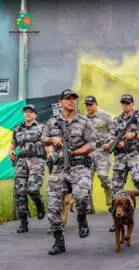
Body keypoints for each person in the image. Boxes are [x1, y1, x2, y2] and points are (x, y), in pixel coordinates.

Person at [42, 89, 96, 255]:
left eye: (74, 99)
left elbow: (93, 144)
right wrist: (52, 139)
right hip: (59, 168)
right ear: (61, 102)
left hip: (79, 166)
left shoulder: (84, 121)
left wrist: (75, 152)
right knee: (52, 204)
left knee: (82, 197)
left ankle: (81, 217)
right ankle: (59, 241)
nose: (72, 101)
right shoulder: (52, 122)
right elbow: (43, 138)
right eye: (68, 99)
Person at [103, 94, 139, 214]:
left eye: (128, 103)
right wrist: (113, 143)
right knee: (116, 187)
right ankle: (116, 215)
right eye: (123, 103)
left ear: (132, 105)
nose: (125, 105)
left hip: (134, 153)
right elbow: (111, 136)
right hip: (120, 155)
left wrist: (134, 135)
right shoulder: (117, 120)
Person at [9, 104, 46, 233]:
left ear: (35, 115)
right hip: (21, 163)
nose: (28, 113)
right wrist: (11, 151)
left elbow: (47, 144)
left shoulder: (42, 128)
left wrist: (50, 154)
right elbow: (13, 145)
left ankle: (39, 204)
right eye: (26, 112)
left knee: (33, 188)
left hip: (37, 161)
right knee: (20, 192)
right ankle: (23, 222)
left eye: (30, 112)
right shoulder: (17, 129)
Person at [85, 95, 113, 213]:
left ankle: (110, 193)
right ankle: (89, 207)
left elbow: (114, 131)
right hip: (88, 152)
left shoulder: (105, 116)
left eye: (91, 104)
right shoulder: (83, 119)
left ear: (96, 104)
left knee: (103, 175)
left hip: (102, 151)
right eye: (87, 104)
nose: (88, 107)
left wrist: (110, 142)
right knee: (86, 180)